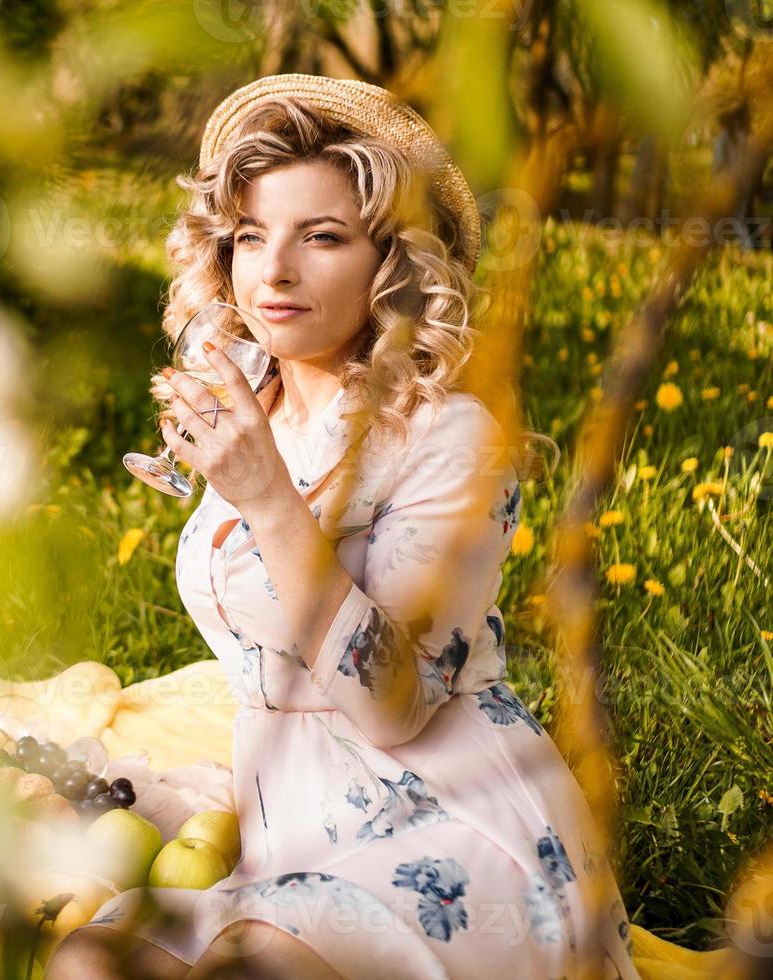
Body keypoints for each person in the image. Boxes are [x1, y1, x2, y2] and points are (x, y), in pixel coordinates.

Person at [46, 74, 639, 980]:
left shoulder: (451, 440)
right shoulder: (255, 405)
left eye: (320, 237)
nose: (273, 270)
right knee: (93, 959)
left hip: (452, 820)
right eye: (251, 236)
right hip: (288, 831)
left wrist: (270, 500)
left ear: (391, 266)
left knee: (257, 962)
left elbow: (393, 706)